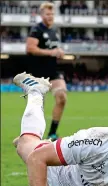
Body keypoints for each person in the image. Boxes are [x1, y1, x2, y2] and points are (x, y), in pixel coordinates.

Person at [26, 2, 67, 141]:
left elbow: (54, 48)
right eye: (47, 14)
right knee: (38, 107)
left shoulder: (55, 30)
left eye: (52, 14)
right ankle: (34, 135)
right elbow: (30, 48)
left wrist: (59, 52)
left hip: (54, 71)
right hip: (38, 72)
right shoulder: (36, 29)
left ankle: (52, 133)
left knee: (62, 98)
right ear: (42, 15)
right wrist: (51, 52)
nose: (50, 16)